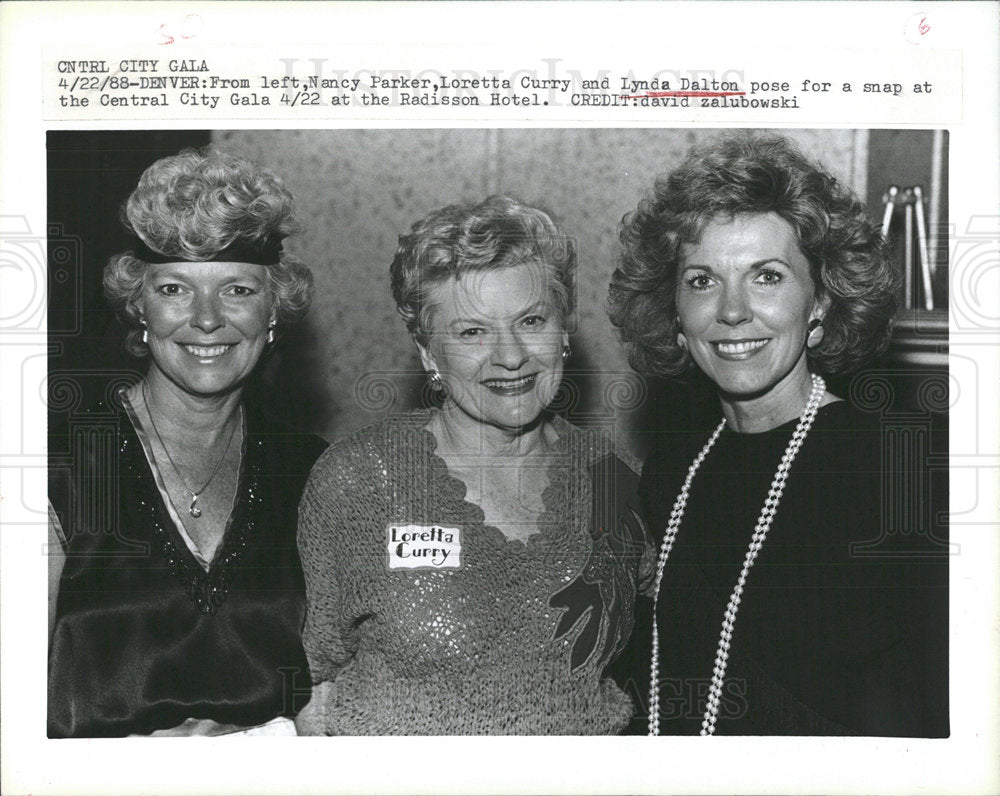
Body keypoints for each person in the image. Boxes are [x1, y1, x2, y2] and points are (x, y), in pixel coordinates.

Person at [606, 133, 949, 736]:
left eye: (767, 276)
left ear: (820, 302)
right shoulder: (671, 472)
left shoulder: (907, 463)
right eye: (702, 280)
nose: (732, 311)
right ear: (676, 315)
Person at [296, 195, 653, 735]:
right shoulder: (360, 480)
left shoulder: (612, 476)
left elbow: (647, 652)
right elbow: (319, 671)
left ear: (564, 332)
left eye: (531, 320)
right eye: (472, 332)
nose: (510, 356)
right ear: (427, 353)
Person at [47, 148, 327, 737]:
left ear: (274, 310)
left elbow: (338, 683)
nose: (205, 319)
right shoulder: (56, 465)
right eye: (175, 289)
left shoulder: (315, 472)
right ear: (138, 306)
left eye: (238, 291)